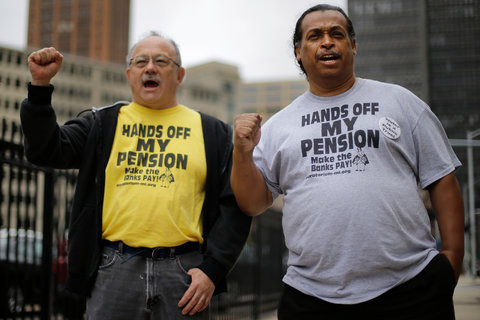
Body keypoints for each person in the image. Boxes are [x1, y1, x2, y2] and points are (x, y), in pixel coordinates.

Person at [231, 4, 464, 319]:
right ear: (299, 52)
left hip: (412, 287)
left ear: (353, 46)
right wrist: (242, 153)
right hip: (311, 296)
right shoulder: (277, 127)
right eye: (315, 36)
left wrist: (450, 261)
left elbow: (442, 178)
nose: (327, 41)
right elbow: (253, 203)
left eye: (336, 34)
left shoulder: (401, 102)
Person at [21, 31, 251, 319]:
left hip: (184, 273)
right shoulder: (102, 124)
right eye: (141, 61)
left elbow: (237, 204)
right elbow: (45, 150)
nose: (150, 67)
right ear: (130, 74)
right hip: (112, 269)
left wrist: (213, 270)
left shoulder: (213, 133)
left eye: (161, 61)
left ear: (179, 75)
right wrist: (40, 87)